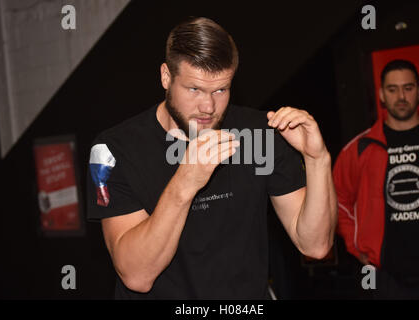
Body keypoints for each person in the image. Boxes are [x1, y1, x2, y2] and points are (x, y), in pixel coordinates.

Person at [87, 17, 337, 299]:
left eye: (221, 89)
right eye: (194, 89)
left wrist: (317, 159)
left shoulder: (258, 134)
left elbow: (315, 245)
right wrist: (185, 181)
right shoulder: (115, 149)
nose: (208, 106)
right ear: (166, 77)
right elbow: (136, 275)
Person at [333, 59, 419, 299]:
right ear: (382, 95)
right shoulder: (359, 149)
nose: (401, 96)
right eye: (393, 89)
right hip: (389, 280)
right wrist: (357, 247)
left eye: (408, 87)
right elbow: (338, 201)